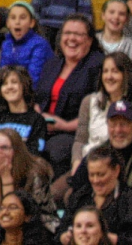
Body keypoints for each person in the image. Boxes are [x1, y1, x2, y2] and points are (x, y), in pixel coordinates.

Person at [56, 145, 132, 245]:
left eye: (101, 174)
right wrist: (64, 237)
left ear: (116, 170)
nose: (96, 180)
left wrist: (112, 239)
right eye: (91, 175)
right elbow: (62, 229)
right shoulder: (79, 197)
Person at [37, 16, 104, 173]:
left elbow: (99, 111)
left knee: (54, 150)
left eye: (78, 34)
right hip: (42, 128)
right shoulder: (52, 64)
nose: (71, 38)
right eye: (67, 33)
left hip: (74, 133)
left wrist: (65, 126)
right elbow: (36, 98)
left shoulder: (98, 65)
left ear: (89, 40)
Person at [71, 53, 132, 166]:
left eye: (115, 71)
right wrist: (76, 163)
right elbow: (80, 141)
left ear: (126, 75)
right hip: (87, 165)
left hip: (120, 169)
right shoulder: (89, 101)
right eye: (105, 71)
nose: (109, 76)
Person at [0, 131, 57, 239]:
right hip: (6, 224)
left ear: (16, 151)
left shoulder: (35, 172)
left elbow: (17, 215)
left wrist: (6, 178)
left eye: (4, 148)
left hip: (41, 226)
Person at [0, 66, 48, 158]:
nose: (9, 87)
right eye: (4, 84)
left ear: (24, 85)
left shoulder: (37, 120)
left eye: (14, 82)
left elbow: (35, 154)